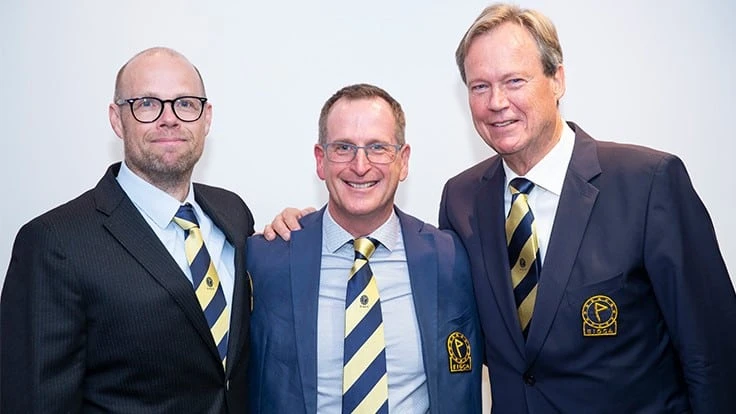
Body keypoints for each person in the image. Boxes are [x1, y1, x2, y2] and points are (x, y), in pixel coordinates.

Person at [266, 4, 736, 412]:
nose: (497, 103)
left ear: (558, 79)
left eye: (515, 81)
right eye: (479, 86)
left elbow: (713, 353)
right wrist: (305, 228)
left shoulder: (648, 182)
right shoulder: (463, 200)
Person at [1, 47, 255, 413]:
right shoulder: (53, 242)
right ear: (117, 119)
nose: (169, 119)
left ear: (206, 118)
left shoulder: (234, 214)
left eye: (185, 103)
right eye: (147, 104)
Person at [247, 83, 482, 413]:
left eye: (377, 148)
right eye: (343, 148)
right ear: (320, 160)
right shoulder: (265, 257)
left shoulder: (451, 258)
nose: (360, 165)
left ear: (403, 161)